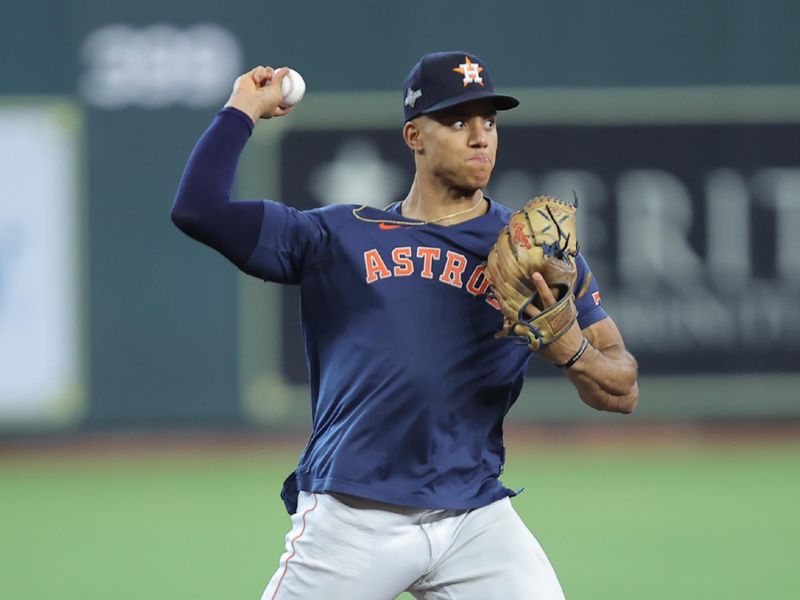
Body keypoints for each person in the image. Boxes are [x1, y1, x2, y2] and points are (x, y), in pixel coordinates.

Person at [171, 50, 638, 600]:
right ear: (414, 135)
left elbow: (623, 388)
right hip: (356, 514)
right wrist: (240, 110)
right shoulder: (338, 236)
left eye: (490, 121)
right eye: (458, 121)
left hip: (474, 518)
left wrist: (572, 349)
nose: (480, 137)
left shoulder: (534, 251)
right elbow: (198, 209)